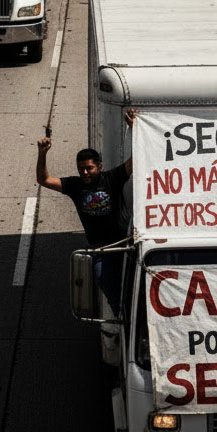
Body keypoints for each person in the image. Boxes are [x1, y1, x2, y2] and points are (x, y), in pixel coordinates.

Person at [37, 109, 137, 317]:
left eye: (89, 168)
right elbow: (44, 180)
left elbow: (135, 161)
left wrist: (136, 129)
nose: (85, 172)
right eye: (81, 168)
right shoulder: (74, 186)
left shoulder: (112, 178)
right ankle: (122, 316)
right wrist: (42, 153)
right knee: (103, 278)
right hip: (101, 249)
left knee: (134, 284)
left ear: (99, 167)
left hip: (123, 244)